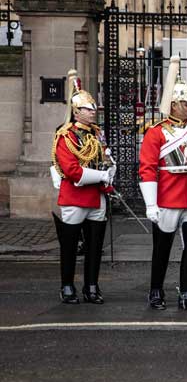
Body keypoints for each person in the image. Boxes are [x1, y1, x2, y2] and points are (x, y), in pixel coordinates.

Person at [139, 55, 187, 312]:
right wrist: (151, 203)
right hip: (168, 197)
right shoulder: (156, 132)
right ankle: (155, 289)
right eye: (185, 103)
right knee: (162, 249)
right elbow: (148, 169)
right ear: (172, 105)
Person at [51, 69, 116, 304]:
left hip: (96, 197)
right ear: (76, 111)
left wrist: (110, 170)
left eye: (93, 108)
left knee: (95, 246)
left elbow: (106, 160)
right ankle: (67, 285)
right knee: (69, 246)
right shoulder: (65, 136)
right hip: (75, 196)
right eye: (88, 108)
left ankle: (91, 285)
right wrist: (101, 175)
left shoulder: (97, 135)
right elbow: (72, 171)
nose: (93, 111)